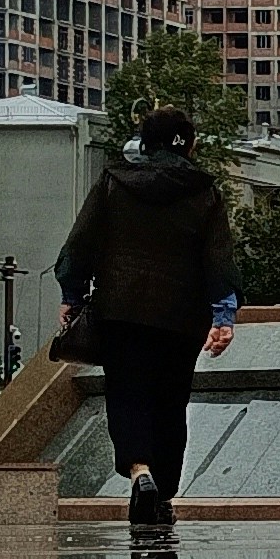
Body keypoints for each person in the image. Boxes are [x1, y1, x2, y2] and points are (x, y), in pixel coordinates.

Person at [54, 107, 240, 527]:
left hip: (121, 312)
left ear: (143, 142)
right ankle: (165, 495)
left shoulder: (113, 183)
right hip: (181, 318)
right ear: (190, 144)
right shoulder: (204, 192)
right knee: (171, 403)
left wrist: (72, 293)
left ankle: (141, 474)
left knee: (128, 394)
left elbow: (80, 242)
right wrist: (223, 317)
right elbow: (219, 260)